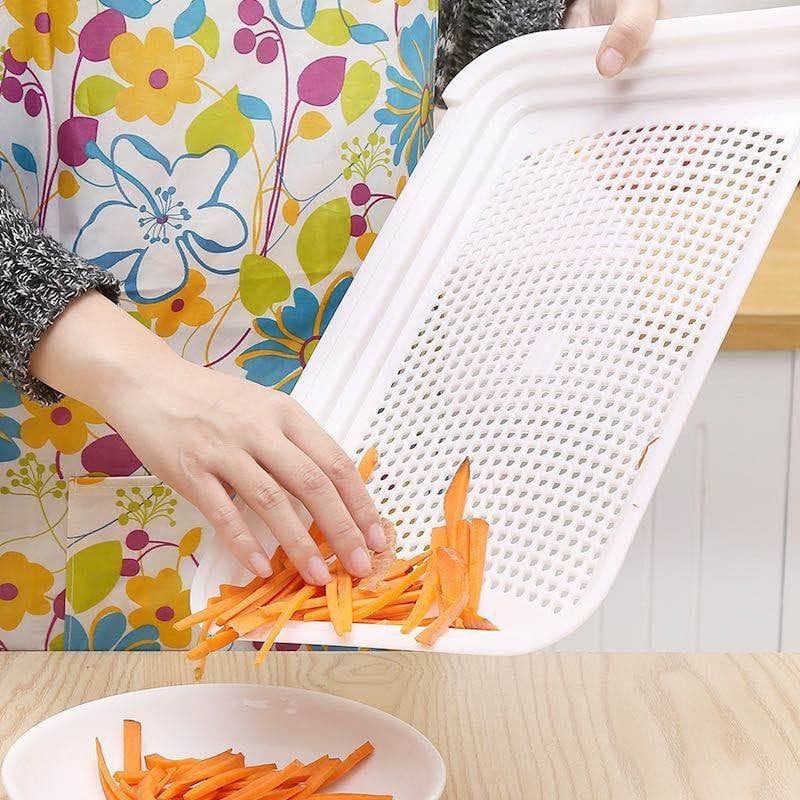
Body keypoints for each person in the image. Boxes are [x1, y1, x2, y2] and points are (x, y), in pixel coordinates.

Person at [0, 0, 659, 651]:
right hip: (55, 473)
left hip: (378, 470)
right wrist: (140, 379)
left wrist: (552, 26)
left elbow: (466, 43)